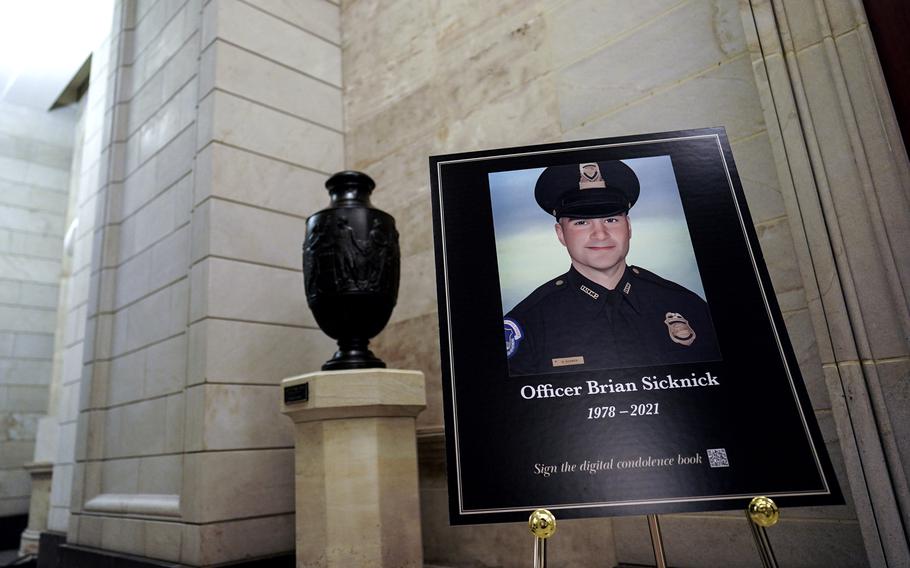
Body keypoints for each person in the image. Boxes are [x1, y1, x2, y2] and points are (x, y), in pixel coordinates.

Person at [504, 160, 720, 375]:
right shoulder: (529, 323)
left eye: (610, 220)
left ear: (629, 227)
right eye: (582, 222)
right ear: (560, 234)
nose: (600, 234)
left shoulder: (688, 305)